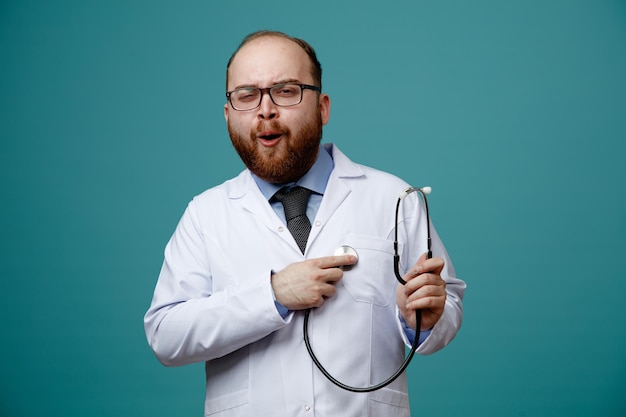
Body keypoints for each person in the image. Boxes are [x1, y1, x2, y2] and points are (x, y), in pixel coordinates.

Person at [144, 30, 466, 417]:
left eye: (286, 90)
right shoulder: (206, 215)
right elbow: (166, 336)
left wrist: (424, 320)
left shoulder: (394, 199)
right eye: (247, 95)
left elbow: (446, 304)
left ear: (323, 107)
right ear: (229, 115)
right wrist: (274, 294)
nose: (265, 110)